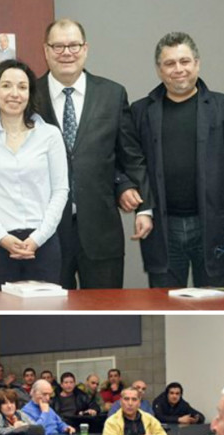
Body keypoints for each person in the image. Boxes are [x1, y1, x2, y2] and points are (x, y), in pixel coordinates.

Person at [131, 32, 224, 288]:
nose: (179, 69)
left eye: (185, 61)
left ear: (197, 63)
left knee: (217, 305)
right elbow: (130, 163)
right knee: (164, 306)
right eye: (170, 63)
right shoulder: (140, 112)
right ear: (159, 70)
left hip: (216, 226)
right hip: (162, 228)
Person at [37, 18, 149, 289]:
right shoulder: (28, 95)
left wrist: (144, 208)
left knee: (105, 310)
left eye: (74, 45)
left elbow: (129, 156)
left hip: (101, 233)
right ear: (46, 50)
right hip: (45, 235)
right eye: (59, 46)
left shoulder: (112, 94)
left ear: (85, 49)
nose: (67, 52)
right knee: (48, 312)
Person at [0, 60, 69, 289]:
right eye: (6, 86)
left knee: (45, 316)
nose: (14, 93)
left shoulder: (50, 135)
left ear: (30, 94)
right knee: (1, 316)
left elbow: (60, 190)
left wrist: (38, 238)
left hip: (43, 243)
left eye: (22, 87)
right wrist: (1, 237)